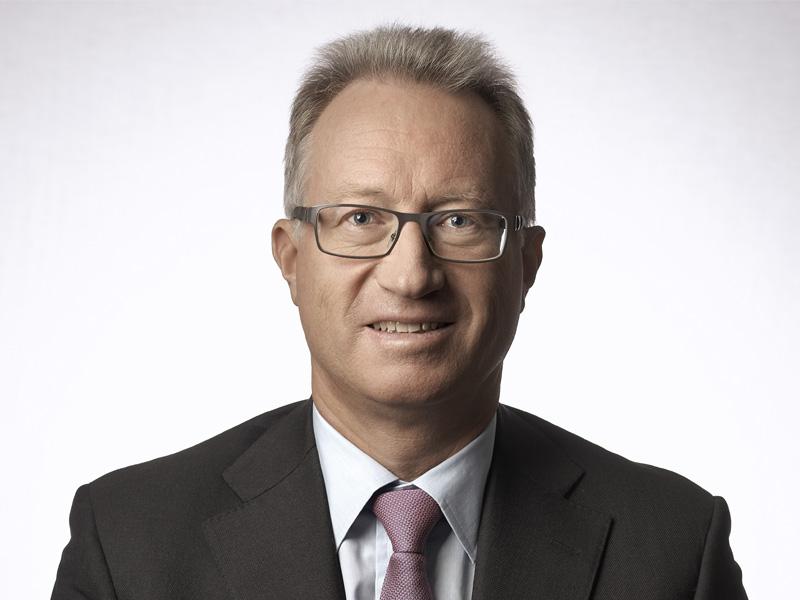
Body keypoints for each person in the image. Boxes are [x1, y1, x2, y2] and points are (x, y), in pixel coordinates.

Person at [51, 25, 748, 600]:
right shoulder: (130, 545)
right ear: (291, 257)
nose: (412, 276)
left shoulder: (673, 549)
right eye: (361, 218)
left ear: (526, 264)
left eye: (460, 220)